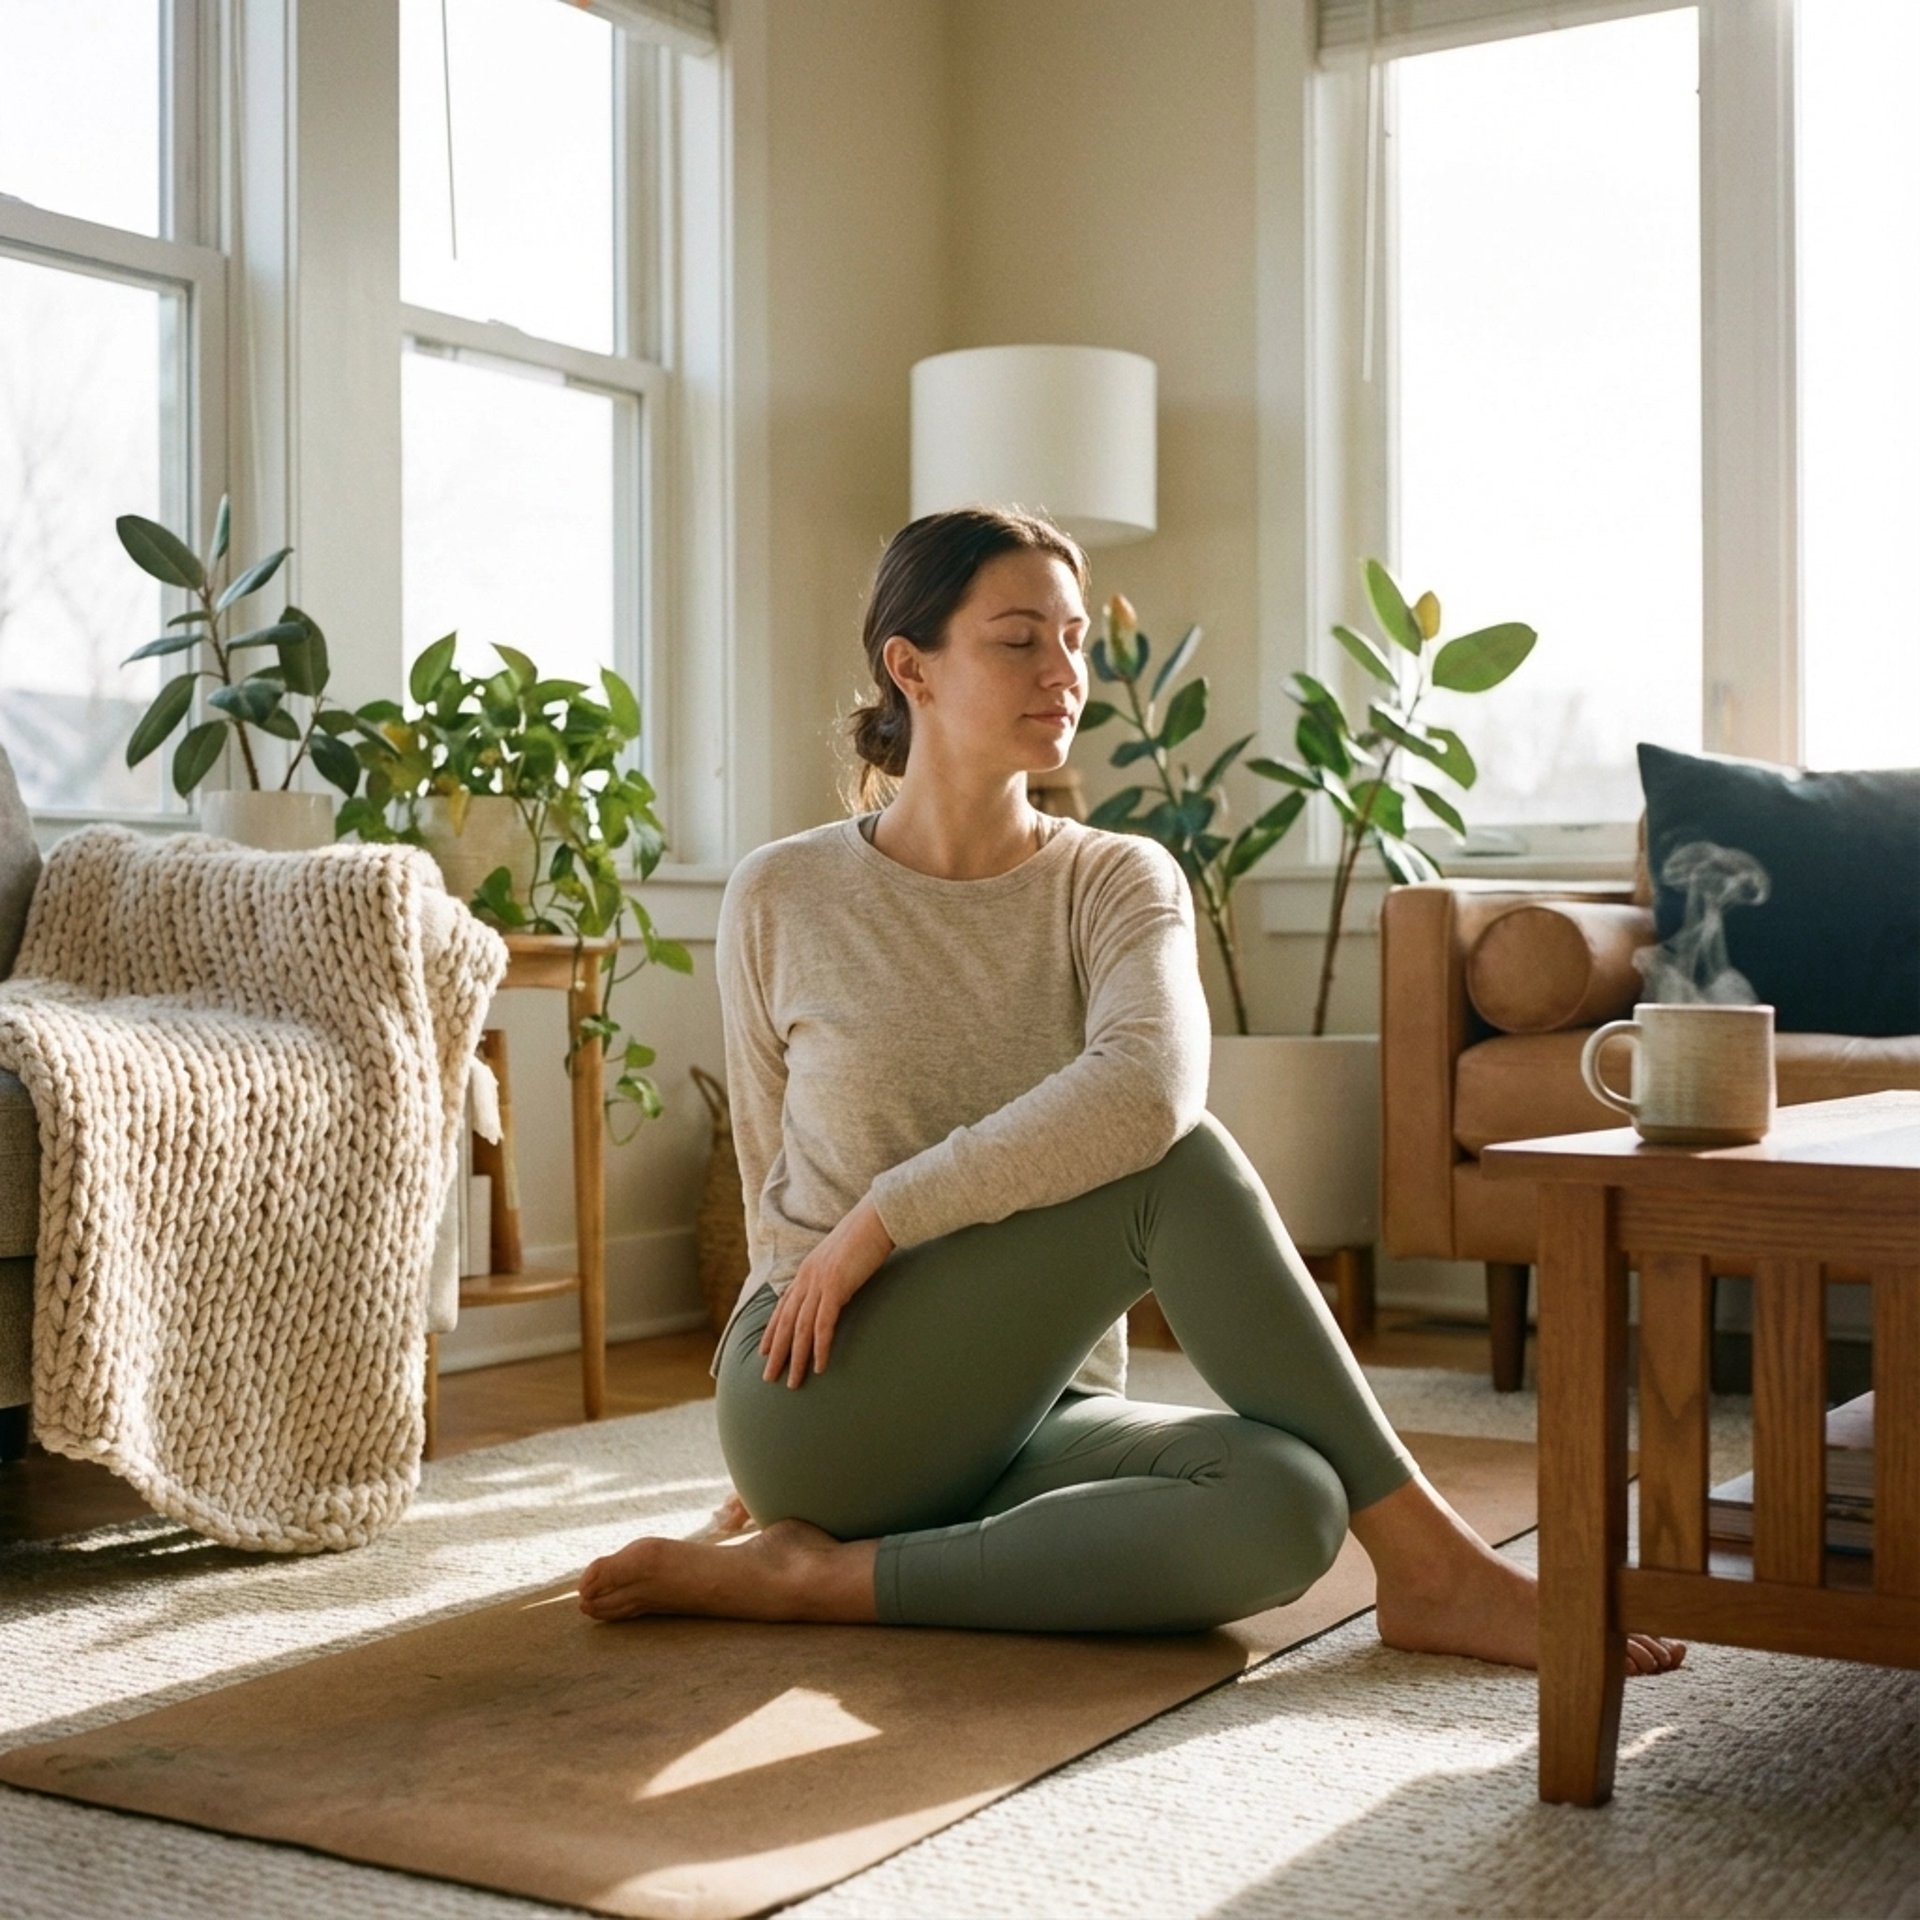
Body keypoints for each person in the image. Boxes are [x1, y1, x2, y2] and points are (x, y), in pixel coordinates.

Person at [577, 507, 1685, 1677]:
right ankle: (1435, 1570)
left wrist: (889, 1211)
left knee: (1287, 1503)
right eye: (1019, 641)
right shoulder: (784, 892)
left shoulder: (1114, 878)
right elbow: (773, 1177)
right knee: (1181, 1163)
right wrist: (851, 1255)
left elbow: (1145, 1084)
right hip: (821, 1384)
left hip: (1033, 1412)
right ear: (911, 667)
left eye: (1074, 640)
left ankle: (827, 1580)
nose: (1065, 674)